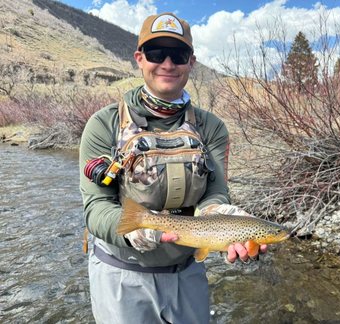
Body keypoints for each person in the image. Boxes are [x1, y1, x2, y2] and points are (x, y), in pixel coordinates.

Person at [79, 12, 267, 324]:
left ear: (191, 62)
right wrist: (138, 230)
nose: (168, 64)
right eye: (156, 53)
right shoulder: (103, 124)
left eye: (178, 55)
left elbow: (215, 191)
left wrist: (221, 215)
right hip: (121, 276)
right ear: (140, 58)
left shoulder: (211, 127)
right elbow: (96, 207)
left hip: (187, 273)